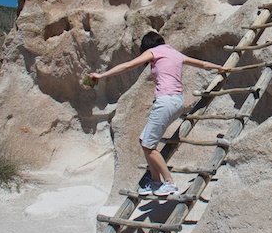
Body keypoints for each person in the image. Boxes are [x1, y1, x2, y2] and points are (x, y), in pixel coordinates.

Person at [90, 32, 227, 196]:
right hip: (177, 102)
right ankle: (156, 182)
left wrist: (102, 75)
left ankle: (169, 182)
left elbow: (127, 66)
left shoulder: (155, 51)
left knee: (148, 145)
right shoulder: (175, 53)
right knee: (144, 140)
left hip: (165, 101)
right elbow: (202, 64)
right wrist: (220, 67)